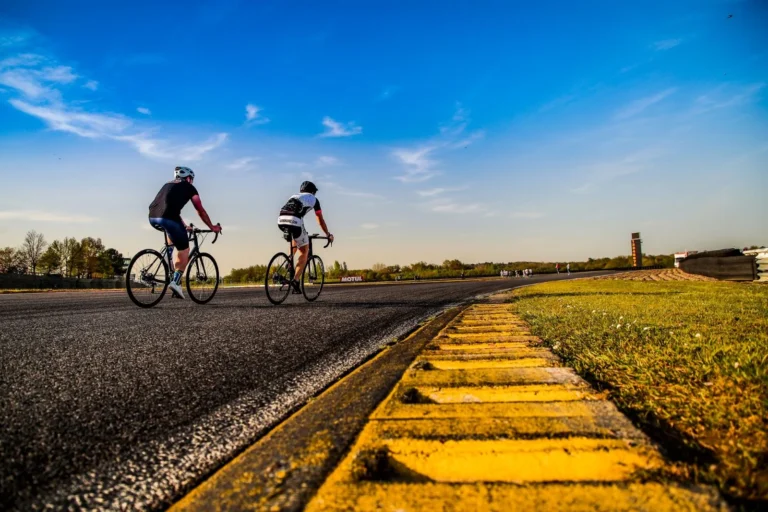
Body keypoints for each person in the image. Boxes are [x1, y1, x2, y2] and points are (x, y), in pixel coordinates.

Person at [149, 166, 222, 299]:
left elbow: (168, 207)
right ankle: (175, 281)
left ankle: (168, 257)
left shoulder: (167, 184)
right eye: (192, 179)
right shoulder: (189, 187)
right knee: (184, 250)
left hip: (153, 217)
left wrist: (183, 225)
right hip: (169, 218)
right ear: (188, 178)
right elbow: (200, 210)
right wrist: (212, 227)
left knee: (173, 232)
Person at [277, 181, 334, 293]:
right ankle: (296, 280)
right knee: (304, 251)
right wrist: (328, 234)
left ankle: (289, 261)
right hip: (295, 220)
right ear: (313, 192)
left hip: (281, 219)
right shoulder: (314, 199)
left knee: (297, 239)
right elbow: (320, 220)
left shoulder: (294, 195)